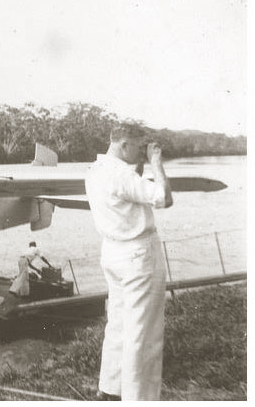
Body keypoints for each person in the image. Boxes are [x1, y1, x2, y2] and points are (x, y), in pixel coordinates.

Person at [84, 123, 173, 401]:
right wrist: (157, 164)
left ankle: (110, 389)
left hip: (112, 253)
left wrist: (139, 168)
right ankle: (139, 399)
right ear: (123, 145)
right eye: (138, 146)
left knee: (119, 324)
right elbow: (164, 198)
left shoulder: (95, 171)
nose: (141, 152)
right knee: (143, 333)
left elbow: (128, 192)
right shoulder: (121, 175)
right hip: (138, 255)